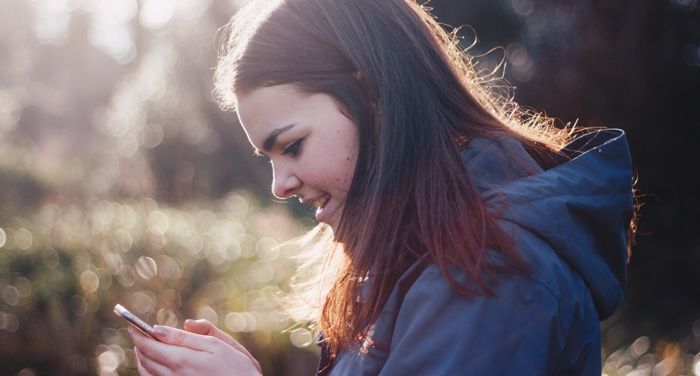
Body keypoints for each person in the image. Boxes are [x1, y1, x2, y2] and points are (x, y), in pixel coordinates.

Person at [128, 0, 638, 374]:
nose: (280, 185)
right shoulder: (425, 249)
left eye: (293, 145)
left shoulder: (490, 269)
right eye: (270, 158)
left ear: (371, 94)